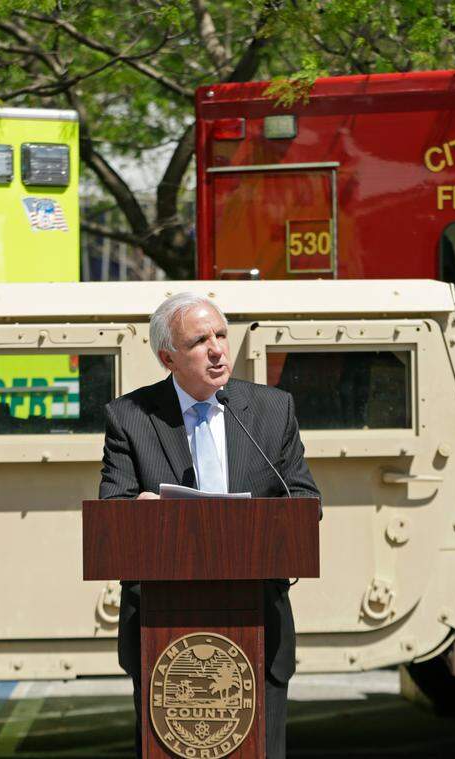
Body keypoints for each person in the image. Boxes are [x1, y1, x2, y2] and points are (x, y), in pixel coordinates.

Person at [99, 292, 320, 758]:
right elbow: (112, 514)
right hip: (163, 632)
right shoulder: (130, 418)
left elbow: (305, 501)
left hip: (258, 619)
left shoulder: (271, 410)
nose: (218, 349)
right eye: (200, 341)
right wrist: (139, 510)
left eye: (222, 334)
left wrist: (265, 524)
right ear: (168, 357)